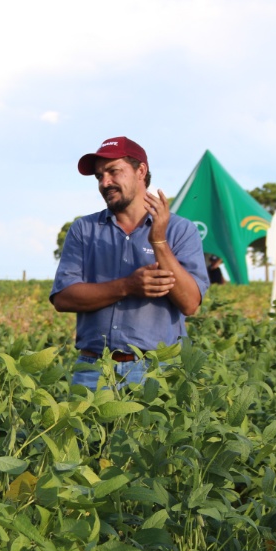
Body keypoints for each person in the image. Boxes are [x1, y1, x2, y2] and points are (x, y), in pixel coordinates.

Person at [51, 136, 209, 391]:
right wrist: (128, 286)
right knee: (86, 432)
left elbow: (190, 303)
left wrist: (158, 240)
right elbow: (63, 299)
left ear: (141, 171)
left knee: (153, 432)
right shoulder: (84, 229)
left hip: (156, 372)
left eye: (114, 171)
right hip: (94, 369)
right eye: (99, 176)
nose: (105, 182)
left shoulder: (180, 230)